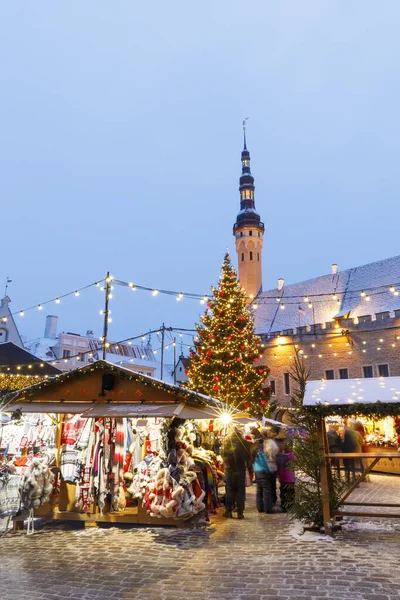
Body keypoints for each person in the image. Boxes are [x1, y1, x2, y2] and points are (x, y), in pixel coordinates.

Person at [221, 427, 251, 519]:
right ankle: (240, 512)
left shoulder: (226, 442)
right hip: (240, 469)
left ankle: (229, 510)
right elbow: (248, 456)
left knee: (230, 490)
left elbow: (222, 455)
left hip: (229, 469)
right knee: (240, 490)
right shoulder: (244, 442)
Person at [251, 437, 272, 514]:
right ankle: (268, 508)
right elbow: (265, 463)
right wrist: (269, 470)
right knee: (266, 490)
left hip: (257, 472)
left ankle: (260, 507)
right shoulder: (261, 452)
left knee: (259, 491)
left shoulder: (253, 451)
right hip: (263, 472)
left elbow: (253, 463)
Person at [276, 443, 296, 512]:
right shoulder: (291, 455)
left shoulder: (279, 456)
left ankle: (284, 505)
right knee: (291, 492)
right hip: (290, 478)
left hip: (282, 477)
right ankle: (291, 505)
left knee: (283, 492)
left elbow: (277, 466)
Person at [263, 430, 279, 506]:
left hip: (268, 467)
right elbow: (275, 453)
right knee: (272, 484)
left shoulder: (266, 444)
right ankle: (272, 499)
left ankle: (270, 500)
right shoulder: (273, 444)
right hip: (272, 466)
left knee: (268, 485)